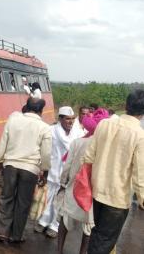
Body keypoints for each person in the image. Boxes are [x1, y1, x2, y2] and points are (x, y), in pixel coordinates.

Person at [83, 90, 144, 254]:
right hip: (116, 199)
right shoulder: (139, 135)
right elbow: (140, 176)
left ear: (126, 105)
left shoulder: (104, 124)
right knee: (105, 241)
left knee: (97, 234)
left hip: (97, 192)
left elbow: (88, 156)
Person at [0, 97, 51, 244]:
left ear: (26, 107)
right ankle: (16, 235)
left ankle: (2, 232)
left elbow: (3, 142)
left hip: (10, 166)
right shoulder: (44, 127)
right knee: (23, 202)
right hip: (30, 169)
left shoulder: (13, 120)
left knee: (6, 198)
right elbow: (46, 154)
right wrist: (44, 171)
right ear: (41, 110)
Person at [57, 108, 109, 254]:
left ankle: (59, 250)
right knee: (88, 226)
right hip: (93, 192)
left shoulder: (78, 142)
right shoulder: (104, 146)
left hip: (74, 188)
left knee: (65, 219)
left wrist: (62, 184)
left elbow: (66, 167)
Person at [35, 106, 84, 238]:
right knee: (49, 198)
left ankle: (54, 226)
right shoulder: (51, 131)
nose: (71, 121)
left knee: (61, 202)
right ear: (60, 119)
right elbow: (44, 150)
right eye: (67, 119)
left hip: (68, 175)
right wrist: (41, 168)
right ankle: (43, 221)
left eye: (72, 119)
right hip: (52, 171)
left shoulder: (78, 133)